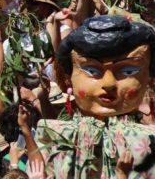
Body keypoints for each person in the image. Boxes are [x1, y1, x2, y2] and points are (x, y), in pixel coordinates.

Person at [37, 15, 155, 178]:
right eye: (92, 71)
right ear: (68, 77)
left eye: (128, 71)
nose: (109, 83)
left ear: (149, 77)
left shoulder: (149, 140)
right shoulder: (58, 134)